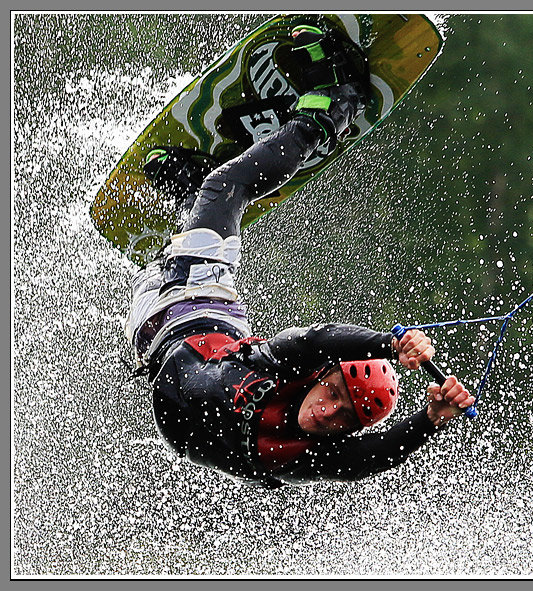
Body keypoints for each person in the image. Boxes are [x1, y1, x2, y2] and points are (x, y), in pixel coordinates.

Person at [125, 25, 474, 489]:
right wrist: (390, 346)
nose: (326, 411)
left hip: (149, 335)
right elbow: (317, 341)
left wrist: (430, 420)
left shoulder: (310, 459)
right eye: (332, 391)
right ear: (319, 377)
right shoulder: (274, 366)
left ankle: (192, 203)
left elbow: (376, 456)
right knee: (226, 189)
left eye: (343, 416)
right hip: (196, 301)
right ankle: (332, 107)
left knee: (205, 212)